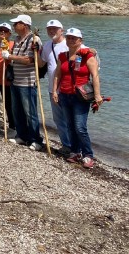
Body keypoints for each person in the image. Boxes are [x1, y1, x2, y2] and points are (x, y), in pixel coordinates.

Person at [52, 28, 102, 169]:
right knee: (70, 126)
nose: (71, 40)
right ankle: (75, 152)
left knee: (80, 127)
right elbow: (57, 75)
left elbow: (95, 76)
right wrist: (55, 91)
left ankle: (88, 155)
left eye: (74, 38)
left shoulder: (87, 56)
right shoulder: (63, 56)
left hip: (81, 96)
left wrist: (97, 95)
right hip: (65, 95)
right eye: (68, 38)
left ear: (81, 40)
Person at [4, 14, 44, 150]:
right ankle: (21, 135)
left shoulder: (34, 39)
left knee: (30, 112)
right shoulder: (16, 39)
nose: (14, 26)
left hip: (28, 82)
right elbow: (16, 58)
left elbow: (29, 60)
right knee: (17, 110)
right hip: (16, 80)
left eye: (17, 24)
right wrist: (8, 57)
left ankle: (36, 139)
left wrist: (10, 56)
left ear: (25, 25)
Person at [41, 19, 71, 153]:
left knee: (71, 119)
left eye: (55, 29)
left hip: (67, 89)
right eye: (49, 29)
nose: (52, 31)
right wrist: (35, 50)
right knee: (58, 119)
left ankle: (75, 147)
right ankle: (66, 145)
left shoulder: (69, 44)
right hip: (52, 90)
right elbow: (41, 64)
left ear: (61, 30)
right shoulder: (47, 45)